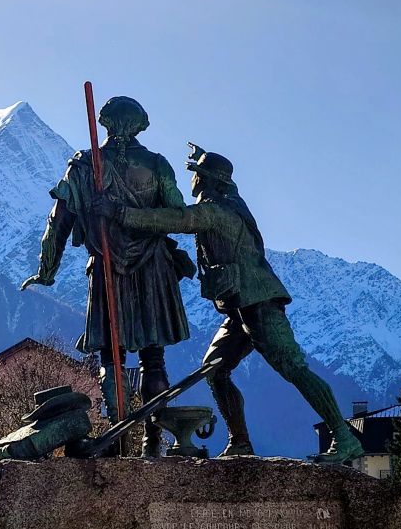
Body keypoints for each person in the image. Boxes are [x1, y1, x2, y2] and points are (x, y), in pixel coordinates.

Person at [92, 144, 364, 465]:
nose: (191, 180)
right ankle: (240, 441)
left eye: (197, 175)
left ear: (208, 180)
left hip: (257, 302)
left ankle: (343, 436)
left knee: (293, 368)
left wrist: (122, 214)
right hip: (238, 307)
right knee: (215, 370)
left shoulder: (216, 211)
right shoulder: (228, 204)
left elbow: (177, 220)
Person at [21, 96, 194, 456]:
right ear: (139, 125)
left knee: (111, 358)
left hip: (107, 267)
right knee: (153, 356)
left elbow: (58, 223)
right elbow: (179, 216)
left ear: (105, 123)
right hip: (154, 268)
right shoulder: (157, 166)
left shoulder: (84, 166)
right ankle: (152, 439)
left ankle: (117, 438)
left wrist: (46, 271)